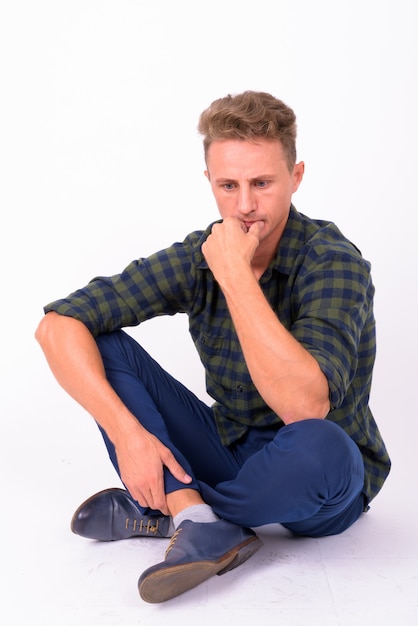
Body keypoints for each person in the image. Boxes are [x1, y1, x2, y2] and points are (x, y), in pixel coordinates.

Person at [35, 90, 391, 604]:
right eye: (229, 185)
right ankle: (194, 516)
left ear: (296, 177)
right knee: (97, 339)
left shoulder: (333, 263)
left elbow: (303, 406)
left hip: (319, 481)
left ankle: (179, 511)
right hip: (230, 450)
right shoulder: (196, 253)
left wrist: (235, 276)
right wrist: (126, 433)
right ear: (210, 183)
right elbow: (55, 326)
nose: (245, 205)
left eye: (263, 183)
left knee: (322, 445)